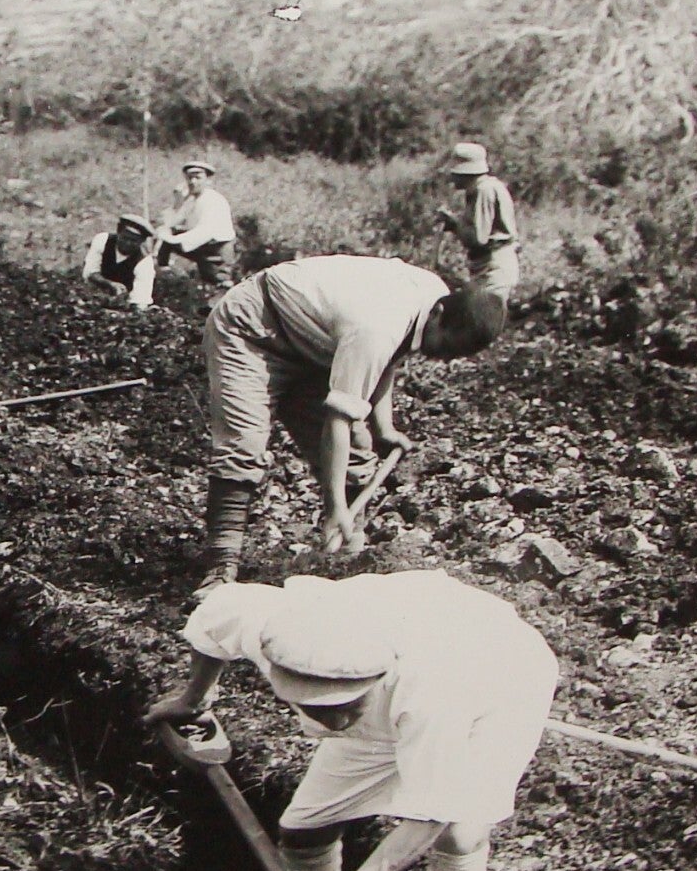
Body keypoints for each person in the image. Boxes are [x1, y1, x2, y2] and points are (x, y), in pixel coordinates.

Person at [144, 569, 558, 871]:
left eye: (343, 706)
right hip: (389, 703)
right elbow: (213, 619)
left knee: (460, 835)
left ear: (375, 679)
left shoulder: (433, 697)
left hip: (499, 682)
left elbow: (431, 814)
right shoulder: (272, 628)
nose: (331, 720)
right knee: (303, 828)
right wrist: (193, 699)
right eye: (314, 708)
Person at [195, 254, 506, 598]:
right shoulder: (377, 327)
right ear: (439, 315)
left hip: (316, 343)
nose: (443, 359)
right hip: (253, 328)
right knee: (244, 446)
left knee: (358, 457)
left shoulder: (431, 295)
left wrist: (384, 428)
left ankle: (344, 554)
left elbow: (389, 358)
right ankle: (221, 567)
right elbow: (339, 419)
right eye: (446, 348)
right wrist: (334, 506)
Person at [436, 142, 519, 300]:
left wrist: (454, 224)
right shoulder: (487, 187)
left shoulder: (483, 190)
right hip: (489, 265)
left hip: (493, 267)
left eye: (455, 172)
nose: (452, 177)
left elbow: (477, 238)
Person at [156, 160, 236, 289]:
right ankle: (162, 272)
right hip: (200, 244)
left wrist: (174, 239)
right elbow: (172, 221)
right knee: (167, 239)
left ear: (208, 181)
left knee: (219, 283)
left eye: (198, 178)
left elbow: (205, 231)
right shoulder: (191, 199)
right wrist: (178, 202)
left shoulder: (214, 200)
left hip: (217, 249)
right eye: (189, 178)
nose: (192, 182)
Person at [82, 214, 157, 310]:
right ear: (118, 232)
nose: (128, 243)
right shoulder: (103, 241)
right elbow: (89, 272)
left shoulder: (144, 262)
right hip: (93, 295)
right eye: (125, 238)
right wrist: (110, 284)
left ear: (142, 241)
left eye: (134, 241)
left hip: (122, 306)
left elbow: (140, 300)